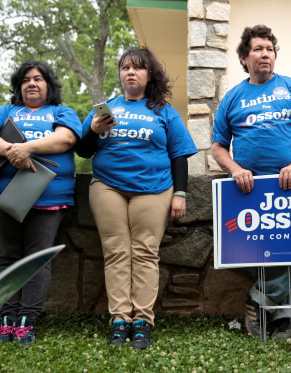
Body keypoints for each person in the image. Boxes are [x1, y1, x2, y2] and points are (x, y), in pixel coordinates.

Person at [76, 47, 197, 350]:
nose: (130, 72)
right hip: (108, 187)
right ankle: (120, 320)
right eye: (125, 67)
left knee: (145, 252)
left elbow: (179, 156)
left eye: (137, 67)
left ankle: (142, 321)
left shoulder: (164, 111)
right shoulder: (105, 108)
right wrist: (93, 129)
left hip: (155, 188)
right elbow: (83, 150)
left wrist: (180, 193)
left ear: (149, 74)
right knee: (116, 251)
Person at [211, 25, 291, 341]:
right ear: (244, 58)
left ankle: (259, 297)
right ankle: (281, 321)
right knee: (265, 253)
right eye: (258, 49)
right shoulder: (233, 98)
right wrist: (234, 169)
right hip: (250, 189)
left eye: (270, 49)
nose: (265, 54)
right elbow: (218, 146)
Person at [0, 60, 82, 345]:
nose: (31, 83)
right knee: (8, 259)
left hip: (49, 196)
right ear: (19, 87)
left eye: (38, 79)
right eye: (25, 80)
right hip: (4, 196)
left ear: (49, 85)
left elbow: (65, 139)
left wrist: (28, 147)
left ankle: (26, 322)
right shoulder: (5, 112)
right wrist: (13, 152)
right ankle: (7, 319)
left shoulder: (62, 112)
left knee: (36, 259)